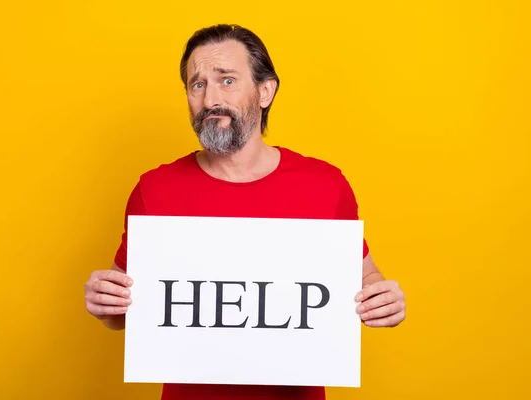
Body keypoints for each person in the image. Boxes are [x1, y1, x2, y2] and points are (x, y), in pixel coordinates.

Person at [84, 23, 406, 400]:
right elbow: (123, 309)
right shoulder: (155, 190)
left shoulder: (325, 185)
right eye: (197, 84)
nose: (209, 100)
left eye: (227, 81)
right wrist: (104, 302)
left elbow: (366, 278)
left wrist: (384, 300)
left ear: (265, 91)